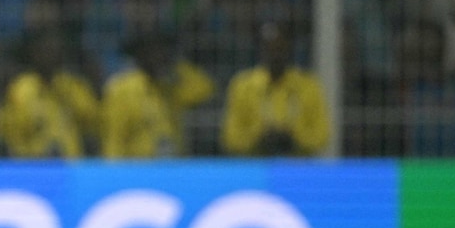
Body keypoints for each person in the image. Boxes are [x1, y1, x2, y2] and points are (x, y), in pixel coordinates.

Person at [220, 22, 331, 156]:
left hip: (297, 164)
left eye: (280, 49)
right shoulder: (243, 86)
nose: (275, 55)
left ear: (290, 50)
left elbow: (322, 136)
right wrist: (259, 137)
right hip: (257, 165)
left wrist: (294, 137)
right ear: (260, 51)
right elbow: (231, 139)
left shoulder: (308, 85)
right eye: (269, 49)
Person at [100, 30, 214, 159]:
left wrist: (178, 67)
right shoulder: (123, 89)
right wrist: (114, 169)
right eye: (152, 52)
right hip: (138, 166)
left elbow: (205, 88)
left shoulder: (171, 86)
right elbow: (114, 138)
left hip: (173, 164)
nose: (159, 57)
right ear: (140, 56)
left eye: (164, 52)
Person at [0, 30, 99, 157]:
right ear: (35, 53)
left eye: (56, 51)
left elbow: (93, 121)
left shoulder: (72, 86)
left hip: (71, 163)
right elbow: (8, 131)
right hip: (33, 164)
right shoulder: (22, 88)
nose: (51, 56)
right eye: (46, 51)